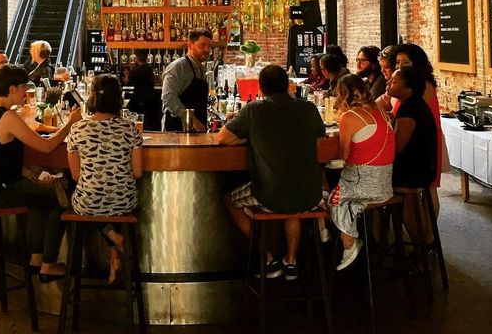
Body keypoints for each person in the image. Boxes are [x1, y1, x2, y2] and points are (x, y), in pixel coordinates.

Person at [0, 64, 81, 282]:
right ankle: (48, 265)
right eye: (23, 87)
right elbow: (46, 147)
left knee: (41, 200)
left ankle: (36, 259)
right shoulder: (8, 117)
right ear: (12, 89)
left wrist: (21, 168)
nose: (25, 92)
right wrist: (70, 125)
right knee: (60, 199)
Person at [218, 65, 325, 280]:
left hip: (270, 194)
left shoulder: (254, 110)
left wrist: (253, 138)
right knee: (293, 201)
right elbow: (319, 141)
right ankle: (291, 262)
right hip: (310, 194)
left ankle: (267, 260)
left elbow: (223, 138)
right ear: (288, 86)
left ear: (261, 88)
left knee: (230, 200)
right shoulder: (308, 109)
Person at [67, 75, 143, 283]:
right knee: (111, 198)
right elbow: (137, 173)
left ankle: (113, 238)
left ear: (92, 97)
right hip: (125, 201)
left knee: (78, 196)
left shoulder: (77, 129)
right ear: (118, 98)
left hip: (89, 203)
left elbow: (75, 175)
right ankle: (115, 250)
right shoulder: (130, 128)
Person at [328, 74, 395, 271]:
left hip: (362, 184)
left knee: (332, 198)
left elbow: (344, 157)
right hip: (384, 185)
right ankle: (328, 231)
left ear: (342, 94)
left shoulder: (349, 117)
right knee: (329, 189)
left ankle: (348, 242)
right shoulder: (380, 110)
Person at [395, 43, 445, 189]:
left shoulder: (422, 87)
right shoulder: (403, 85)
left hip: (421, 144)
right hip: (411, 141)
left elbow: (412, 114)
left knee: (429, 189)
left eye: (405, 63)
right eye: (398, 62)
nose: (400, 67)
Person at [388, 66, 438, 191]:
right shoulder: (414, 103)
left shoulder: (410, 109)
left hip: (413, 174)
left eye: (394, 82)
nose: (388, 83)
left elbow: (396, 148)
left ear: (409, 89)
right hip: (420, 169)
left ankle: (374, 209)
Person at [161, 28, 213, 132]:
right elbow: (168, 98)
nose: (207, 50)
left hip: (195, 132)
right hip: (176, 132)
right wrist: (192, 120)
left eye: (209, 46)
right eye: (202, 45)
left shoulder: (201, 69)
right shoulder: (178, 67)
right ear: (190, 45)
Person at [126, 50, 161, 131]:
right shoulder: (149, 68)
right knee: (152, 120)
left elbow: (127, 82)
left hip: (138, 97)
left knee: (132, 116)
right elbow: (153, 81)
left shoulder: (135, 70)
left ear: (137, 59)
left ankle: (135, 132)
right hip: (150, 97)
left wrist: (127, 74)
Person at [375, 45, 399, 113]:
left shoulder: (400, 86)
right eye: (381, 67)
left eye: (386, 67)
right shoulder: (390, 82)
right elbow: (383, 100)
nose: (382, 71)